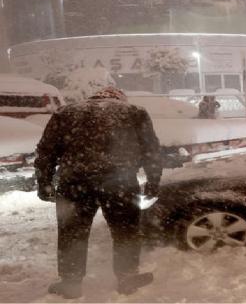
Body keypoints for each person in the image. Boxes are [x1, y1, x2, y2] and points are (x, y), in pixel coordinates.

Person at [34, 86, 162, 298]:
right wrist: (153, 182)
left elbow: (46, 151)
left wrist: (44, 182)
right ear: (120, 98)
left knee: (72, 233)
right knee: (125, 231)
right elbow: (151, 150)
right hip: (119, 184)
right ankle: (127, 276)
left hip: (74, 184)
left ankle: (70, 282)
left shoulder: (66, 113)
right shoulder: (134, 112)